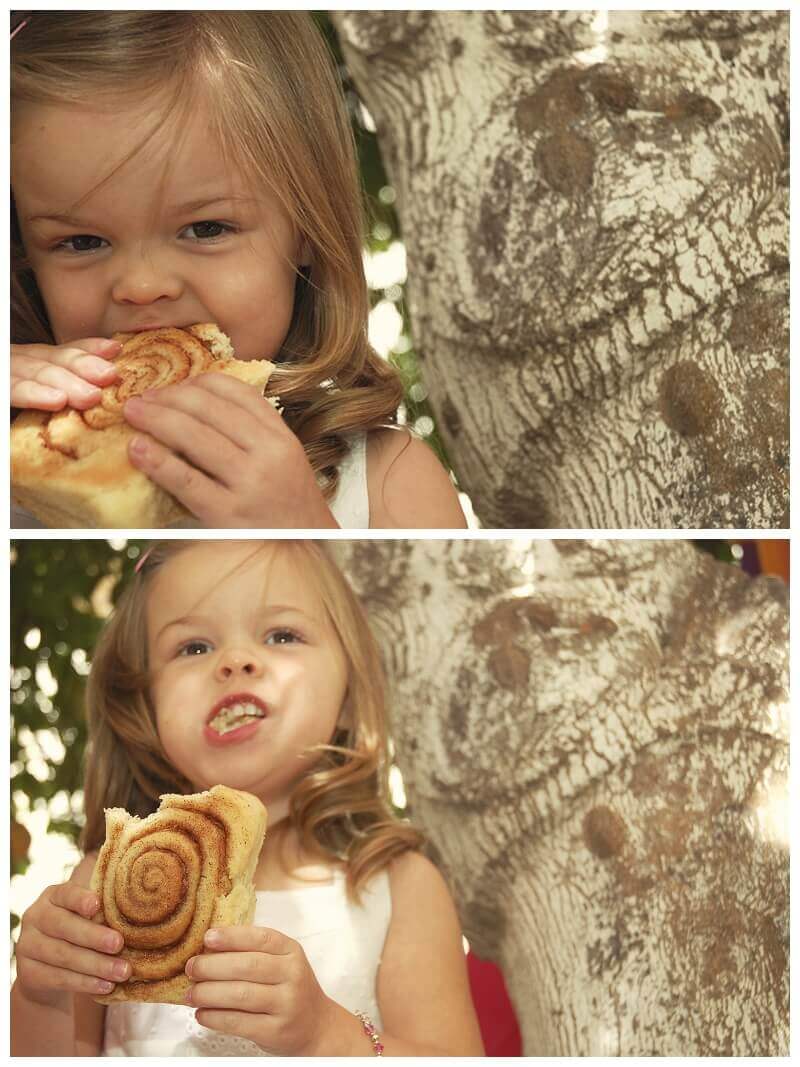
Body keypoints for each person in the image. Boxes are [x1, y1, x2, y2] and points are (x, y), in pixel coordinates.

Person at [10, 540, 485, 1056]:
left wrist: (326, 1034)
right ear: (144, 706)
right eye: (193, 647)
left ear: (347, 697)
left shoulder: (397, 884)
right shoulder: (106, 885)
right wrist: (41, 992)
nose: (235, 661)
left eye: (282, 635)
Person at [10, 12, 467, 529]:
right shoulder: (18, 471)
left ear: (306, 229)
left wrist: (301, 528)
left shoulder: (387, 479)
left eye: (206, 229)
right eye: (82, 241)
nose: (141, 287)